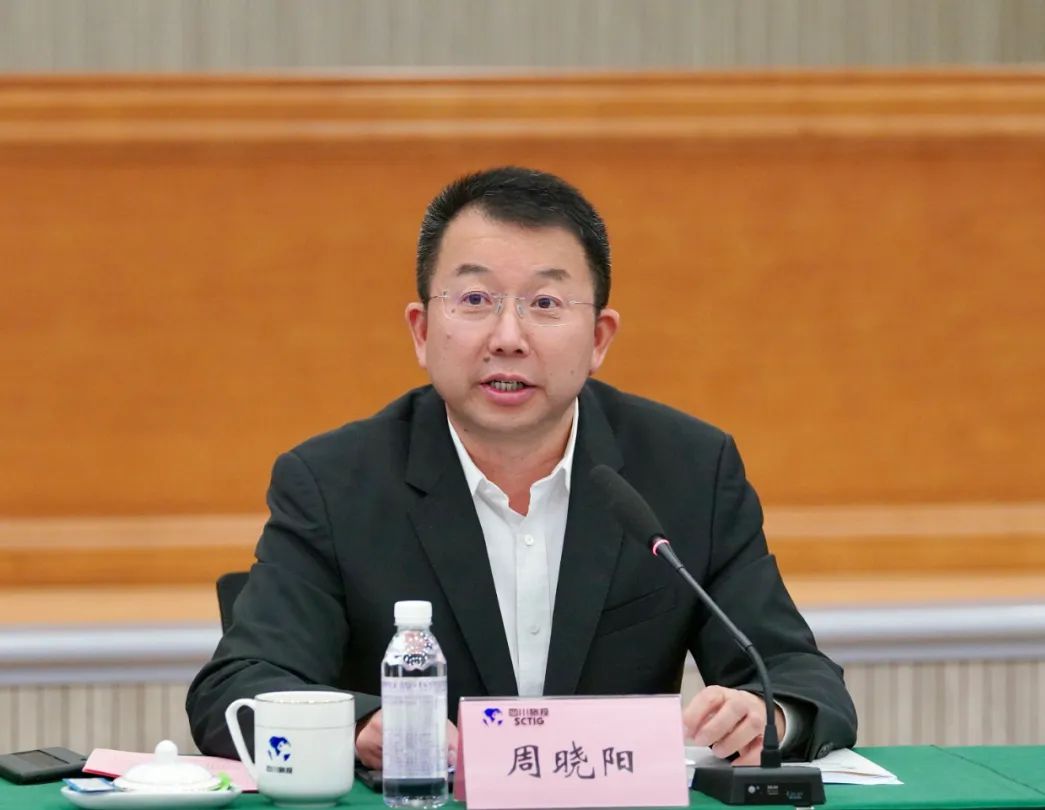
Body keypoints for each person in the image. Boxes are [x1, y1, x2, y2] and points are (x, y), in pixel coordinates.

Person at [187, 166, 857, 768]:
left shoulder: (688, 471)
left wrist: (771, 716)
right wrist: (362, 727)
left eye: (545, 304)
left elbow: (800, 676)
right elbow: (236, 689)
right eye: (475, 300)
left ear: (599, 339)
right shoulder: (333, 484)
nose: (508, 337)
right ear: (422, 330)